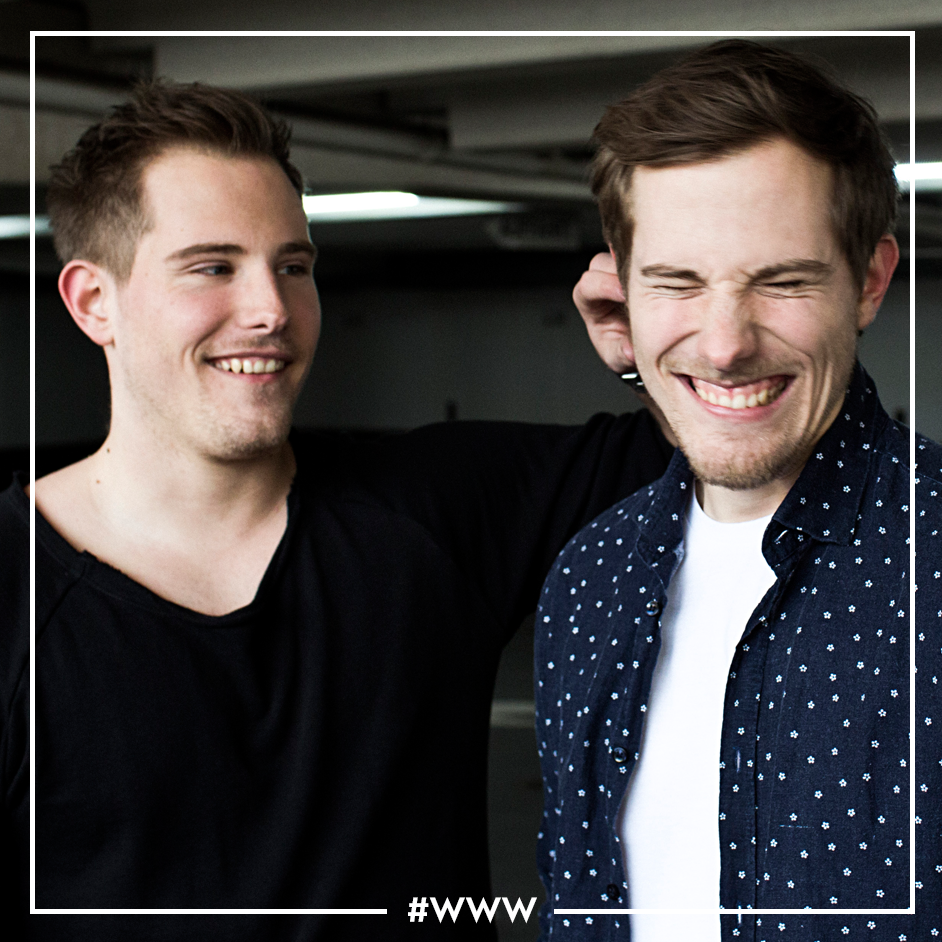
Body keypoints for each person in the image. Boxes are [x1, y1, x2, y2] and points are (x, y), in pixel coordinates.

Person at [0, 81, 675, 940]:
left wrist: (653, 353)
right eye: (213, 267)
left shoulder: (435, 512)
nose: (272, 311)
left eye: (293, 266)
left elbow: (732, 458)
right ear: (93, 302)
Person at [535, 40, 941, 941]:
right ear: (621, 289)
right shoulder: (588, 579)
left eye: (782, 281)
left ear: (870, 280)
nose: (724, 344)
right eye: (676, 283)